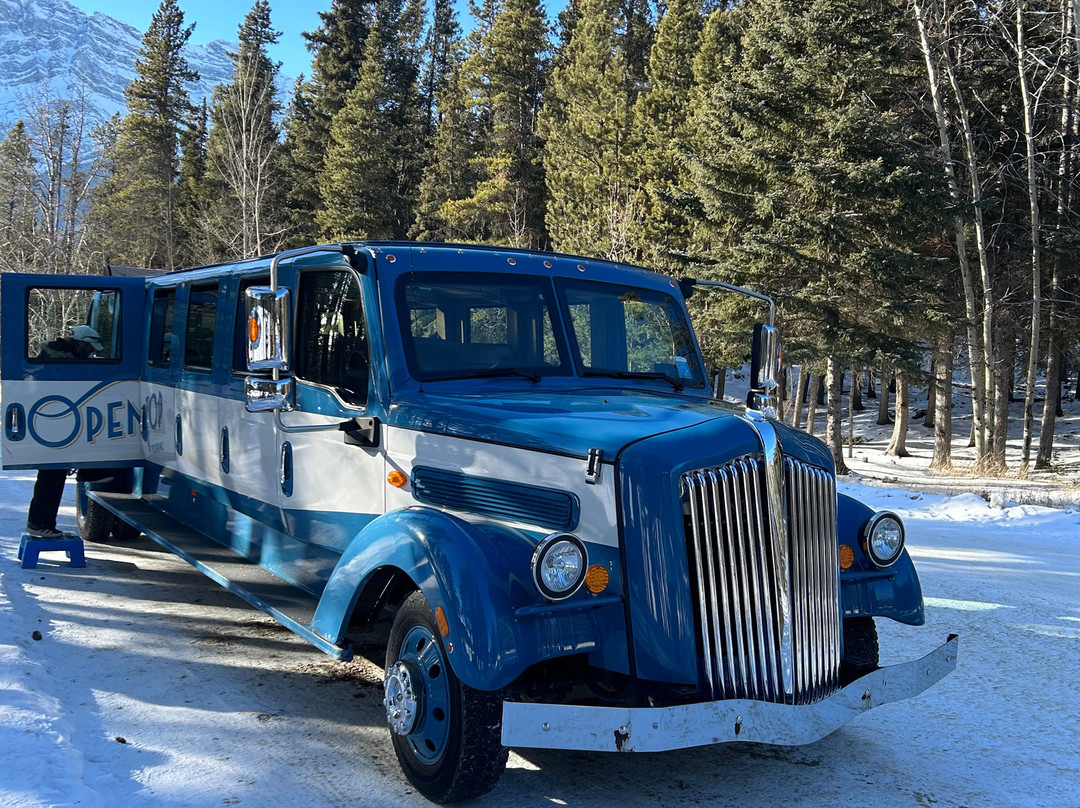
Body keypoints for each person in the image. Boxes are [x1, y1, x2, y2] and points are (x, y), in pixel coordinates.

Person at [25, 326, 104, 539]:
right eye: (89, 348)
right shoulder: (60, 362)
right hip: (52, 422)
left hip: (55, 421)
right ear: (81, 343)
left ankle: (42, 523)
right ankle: (39, 523)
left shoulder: (56, 356)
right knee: (51, 474)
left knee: (53, 474)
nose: (91, 353)